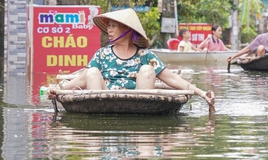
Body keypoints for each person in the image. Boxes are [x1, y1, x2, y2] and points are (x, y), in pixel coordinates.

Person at [48, 9, 214, 105]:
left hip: (138, 100)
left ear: (127, 30)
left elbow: (173, 79)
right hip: (104, 100)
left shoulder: (145, 55)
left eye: (113, 26)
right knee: (91, 72)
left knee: (148, 69)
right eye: (109, 27)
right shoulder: (102, 54)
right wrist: (59, 90)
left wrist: (201, 93)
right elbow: (82, 79)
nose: (109, 30)